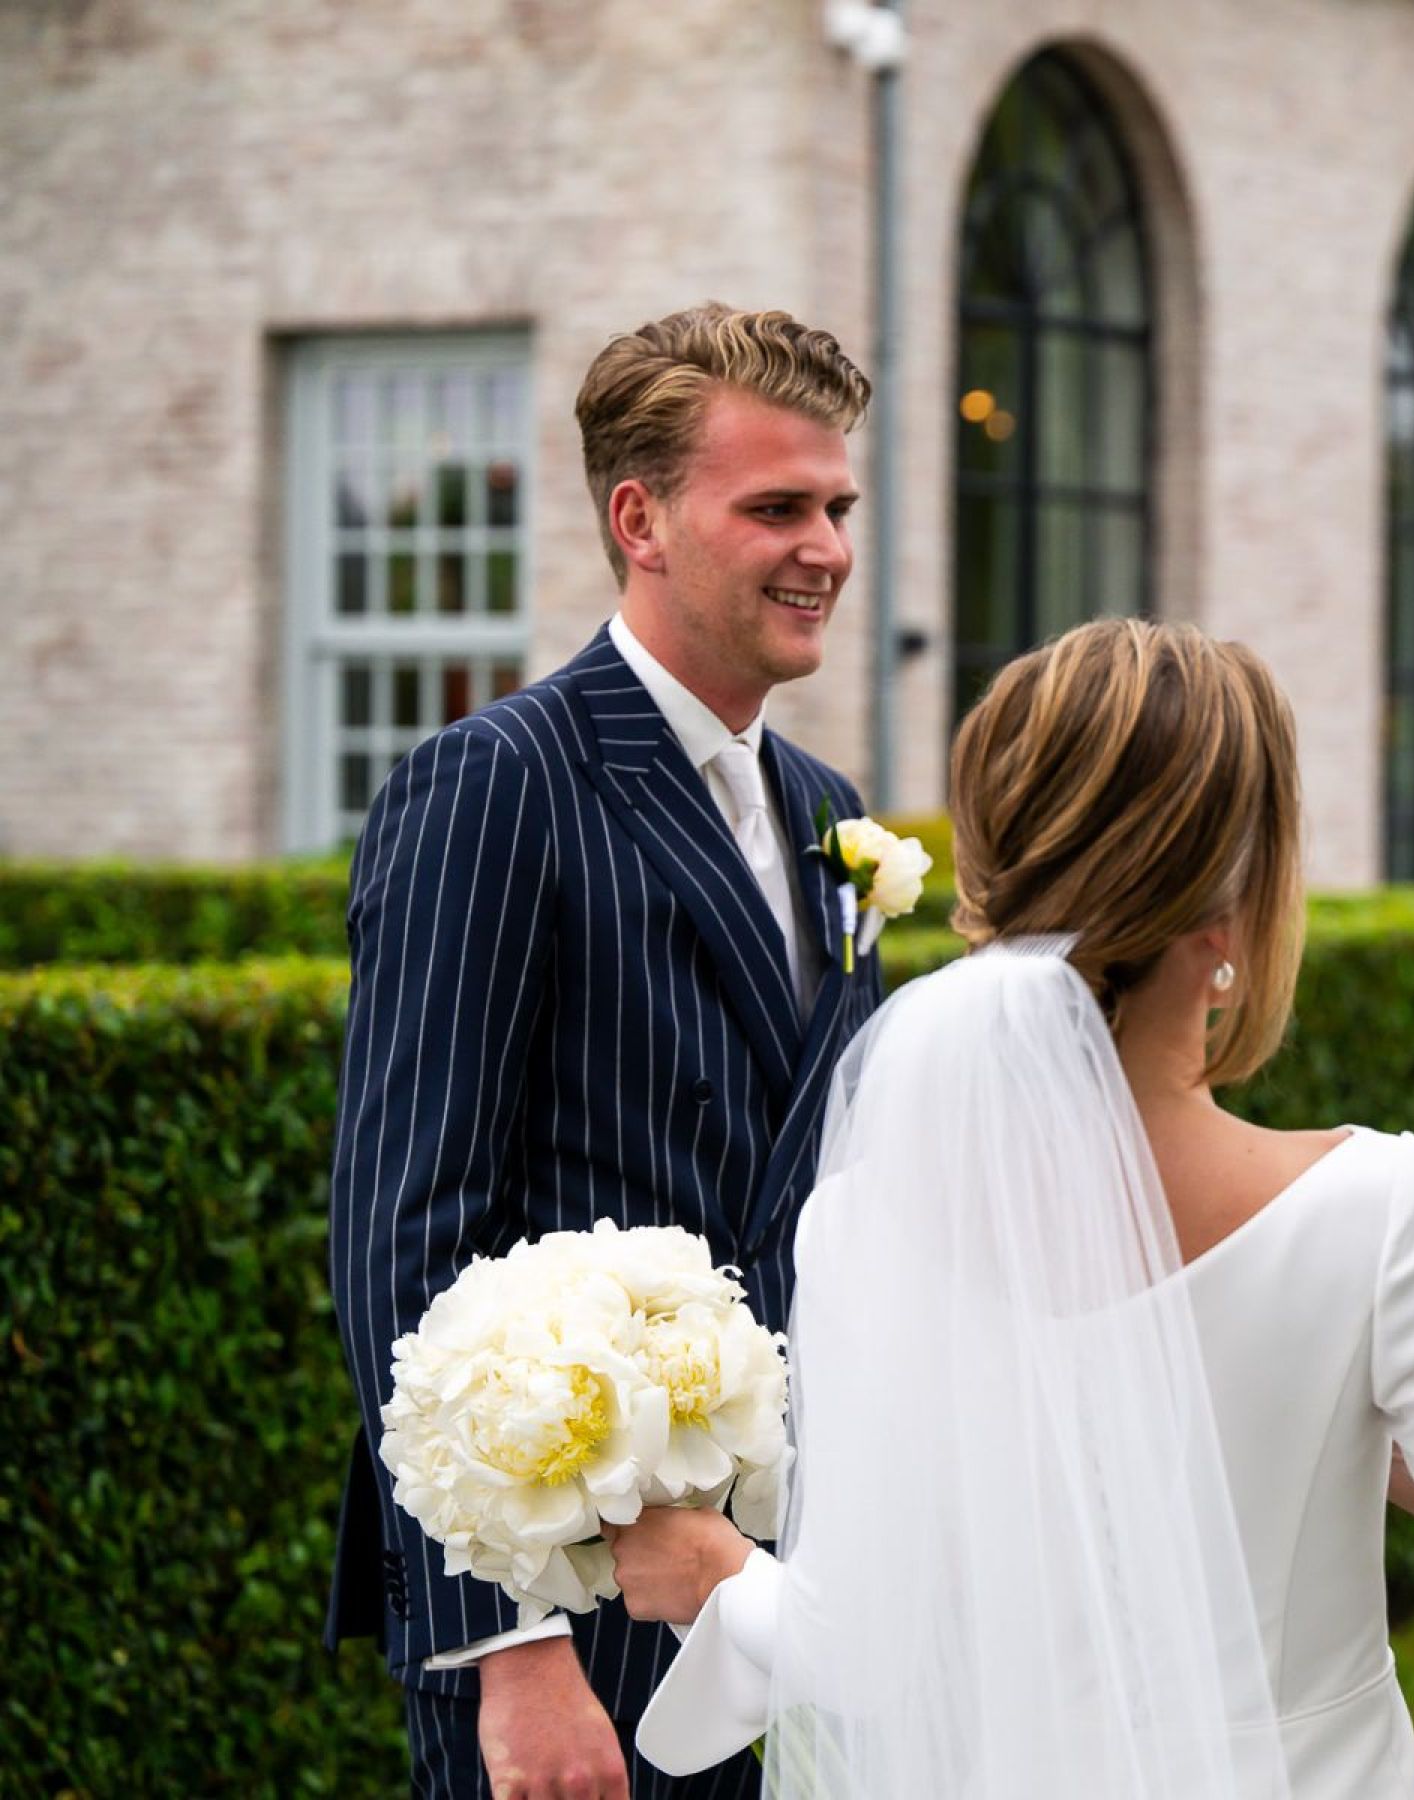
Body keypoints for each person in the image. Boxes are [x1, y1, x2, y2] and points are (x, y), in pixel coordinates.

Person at [606, 619, 1414, 1798]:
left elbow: (881, 1651)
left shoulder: (862, 1222)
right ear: (1232, 908)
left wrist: (731, 1582)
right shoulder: (1366, 1211)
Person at [325, 302, 886, 1799]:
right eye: (775, 506)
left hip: (794, 1596)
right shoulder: (495, 785)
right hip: (578, 1622)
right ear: (639, 518)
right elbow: (405, 1237)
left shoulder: (832, 812)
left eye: (836, 506)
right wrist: (501, 1649)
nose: (825, 545)